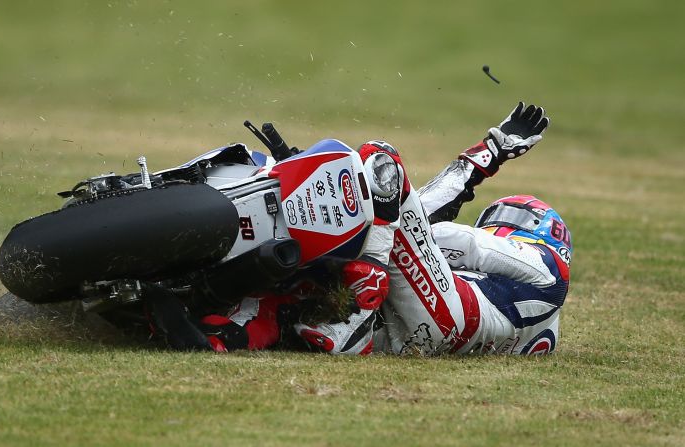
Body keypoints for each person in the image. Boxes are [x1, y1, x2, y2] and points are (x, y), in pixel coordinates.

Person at [201, 102, 572, 356]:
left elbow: (456, 239)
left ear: (550, 231)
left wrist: (490, 151)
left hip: (446, 315)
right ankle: (209, 321)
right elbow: (420, 230)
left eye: (513, 219)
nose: (501, 226)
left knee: (380, 158)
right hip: (409, 336)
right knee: (294, 295)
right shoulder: (543, 329)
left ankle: (357, 317)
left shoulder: (549, 266)